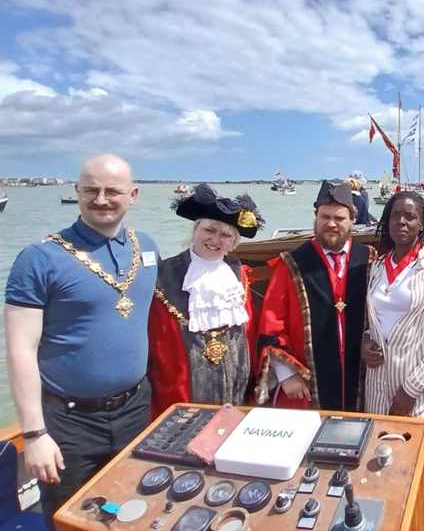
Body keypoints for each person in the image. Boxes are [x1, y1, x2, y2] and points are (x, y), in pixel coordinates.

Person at [4, 155, 158, 530]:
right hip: (68, 422)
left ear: (133, 195)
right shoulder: (40, 259)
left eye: (112, 191)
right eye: (90, 189)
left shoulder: (148, 249)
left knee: (134, 509)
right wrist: (34, 433)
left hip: (135, 409)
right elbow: (19, 350)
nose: (101, 199)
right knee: (75, 519)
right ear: (76, 191)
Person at [255, 180, 376, 410]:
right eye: (324, 217)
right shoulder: (293, 263)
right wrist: (286, 373)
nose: (331, 224)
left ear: (352, 219)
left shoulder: (369, 259)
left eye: (339, 218)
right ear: (315, 216)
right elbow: (272, 322)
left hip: (363, 380)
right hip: (306, 382)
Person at [147, 184, 264, 418]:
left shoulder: (238, 275)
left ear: (233, 243)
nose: (215, 240)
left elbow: (249, 333)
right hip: (179, 388)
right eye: (209, 230)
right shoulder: (164, 275)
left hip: (236, 385)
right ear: (195, 231)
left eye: (225, 235)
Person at [361, 191, 424, 420]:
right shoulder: (377, 267)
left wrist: (411, 389)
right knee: (375, 454)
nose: (401, 222)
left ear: (422, 223)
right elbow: (376, 320)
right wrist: (365, 340)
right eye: (395, 215)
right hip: (377, 388)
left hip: (420, 394)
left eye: (409, 216)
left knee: (414, 455)